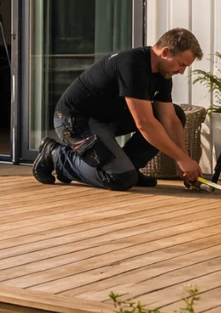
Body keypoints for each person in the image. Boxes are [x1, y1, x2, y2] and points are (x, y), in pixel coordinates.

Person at [32, 28, 202, 192]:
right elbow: (144, 123)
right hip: (75, 121)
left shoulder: (163, 73)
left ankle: (130, 167)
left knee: (176, 114)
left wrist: (185, 162)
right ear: (165, 52)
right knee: (120, 179)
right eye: (181, 64)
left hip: (107, 119)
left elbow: (170, 120)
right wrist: (181, 159)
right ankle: (57, 156)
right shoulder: (132, 65)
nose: (181, 72)